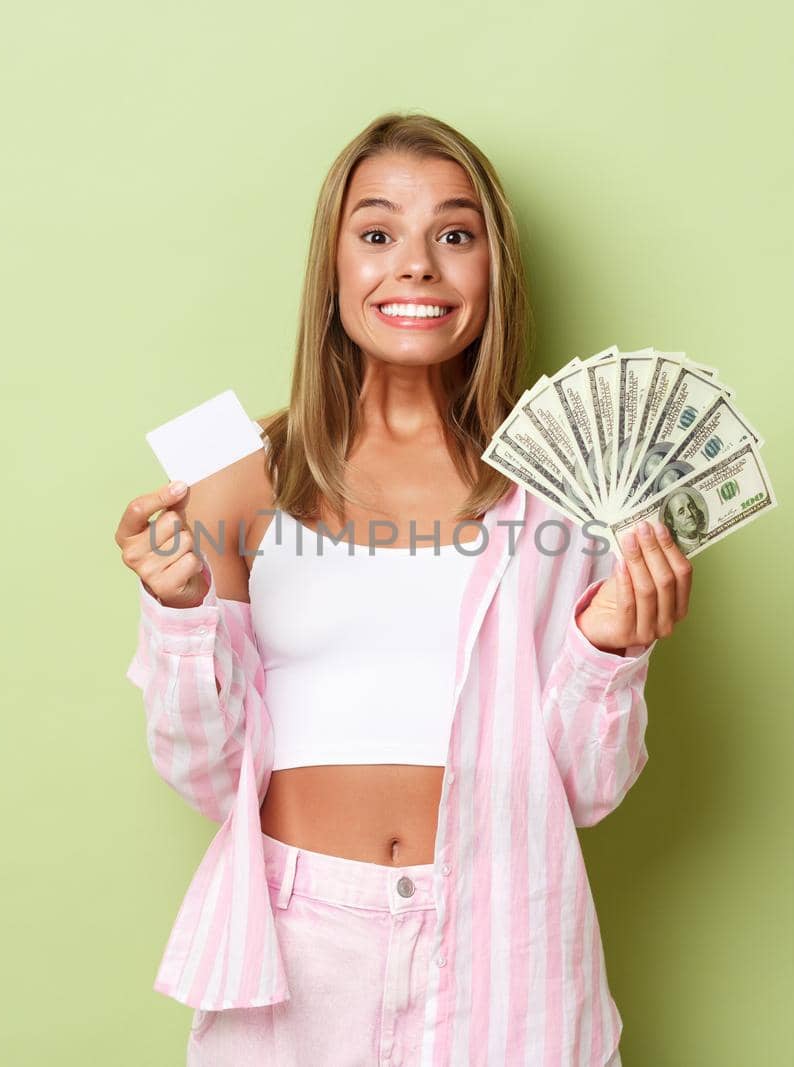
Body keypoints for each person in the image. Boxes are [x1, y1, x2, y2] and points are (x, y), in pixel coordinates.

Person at [116, 111, 694, 1067]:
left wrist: (611, 652)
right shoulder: (239, 475)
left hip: (508, 928)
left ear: (492, 268)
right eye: (378, 233)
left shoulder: (568, 489)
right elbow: (206, 775)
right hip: (298, 944)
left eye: (454, 234)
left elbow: (588, 793)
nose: (415, 264)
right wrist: (179, 612)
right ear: (333, 268)